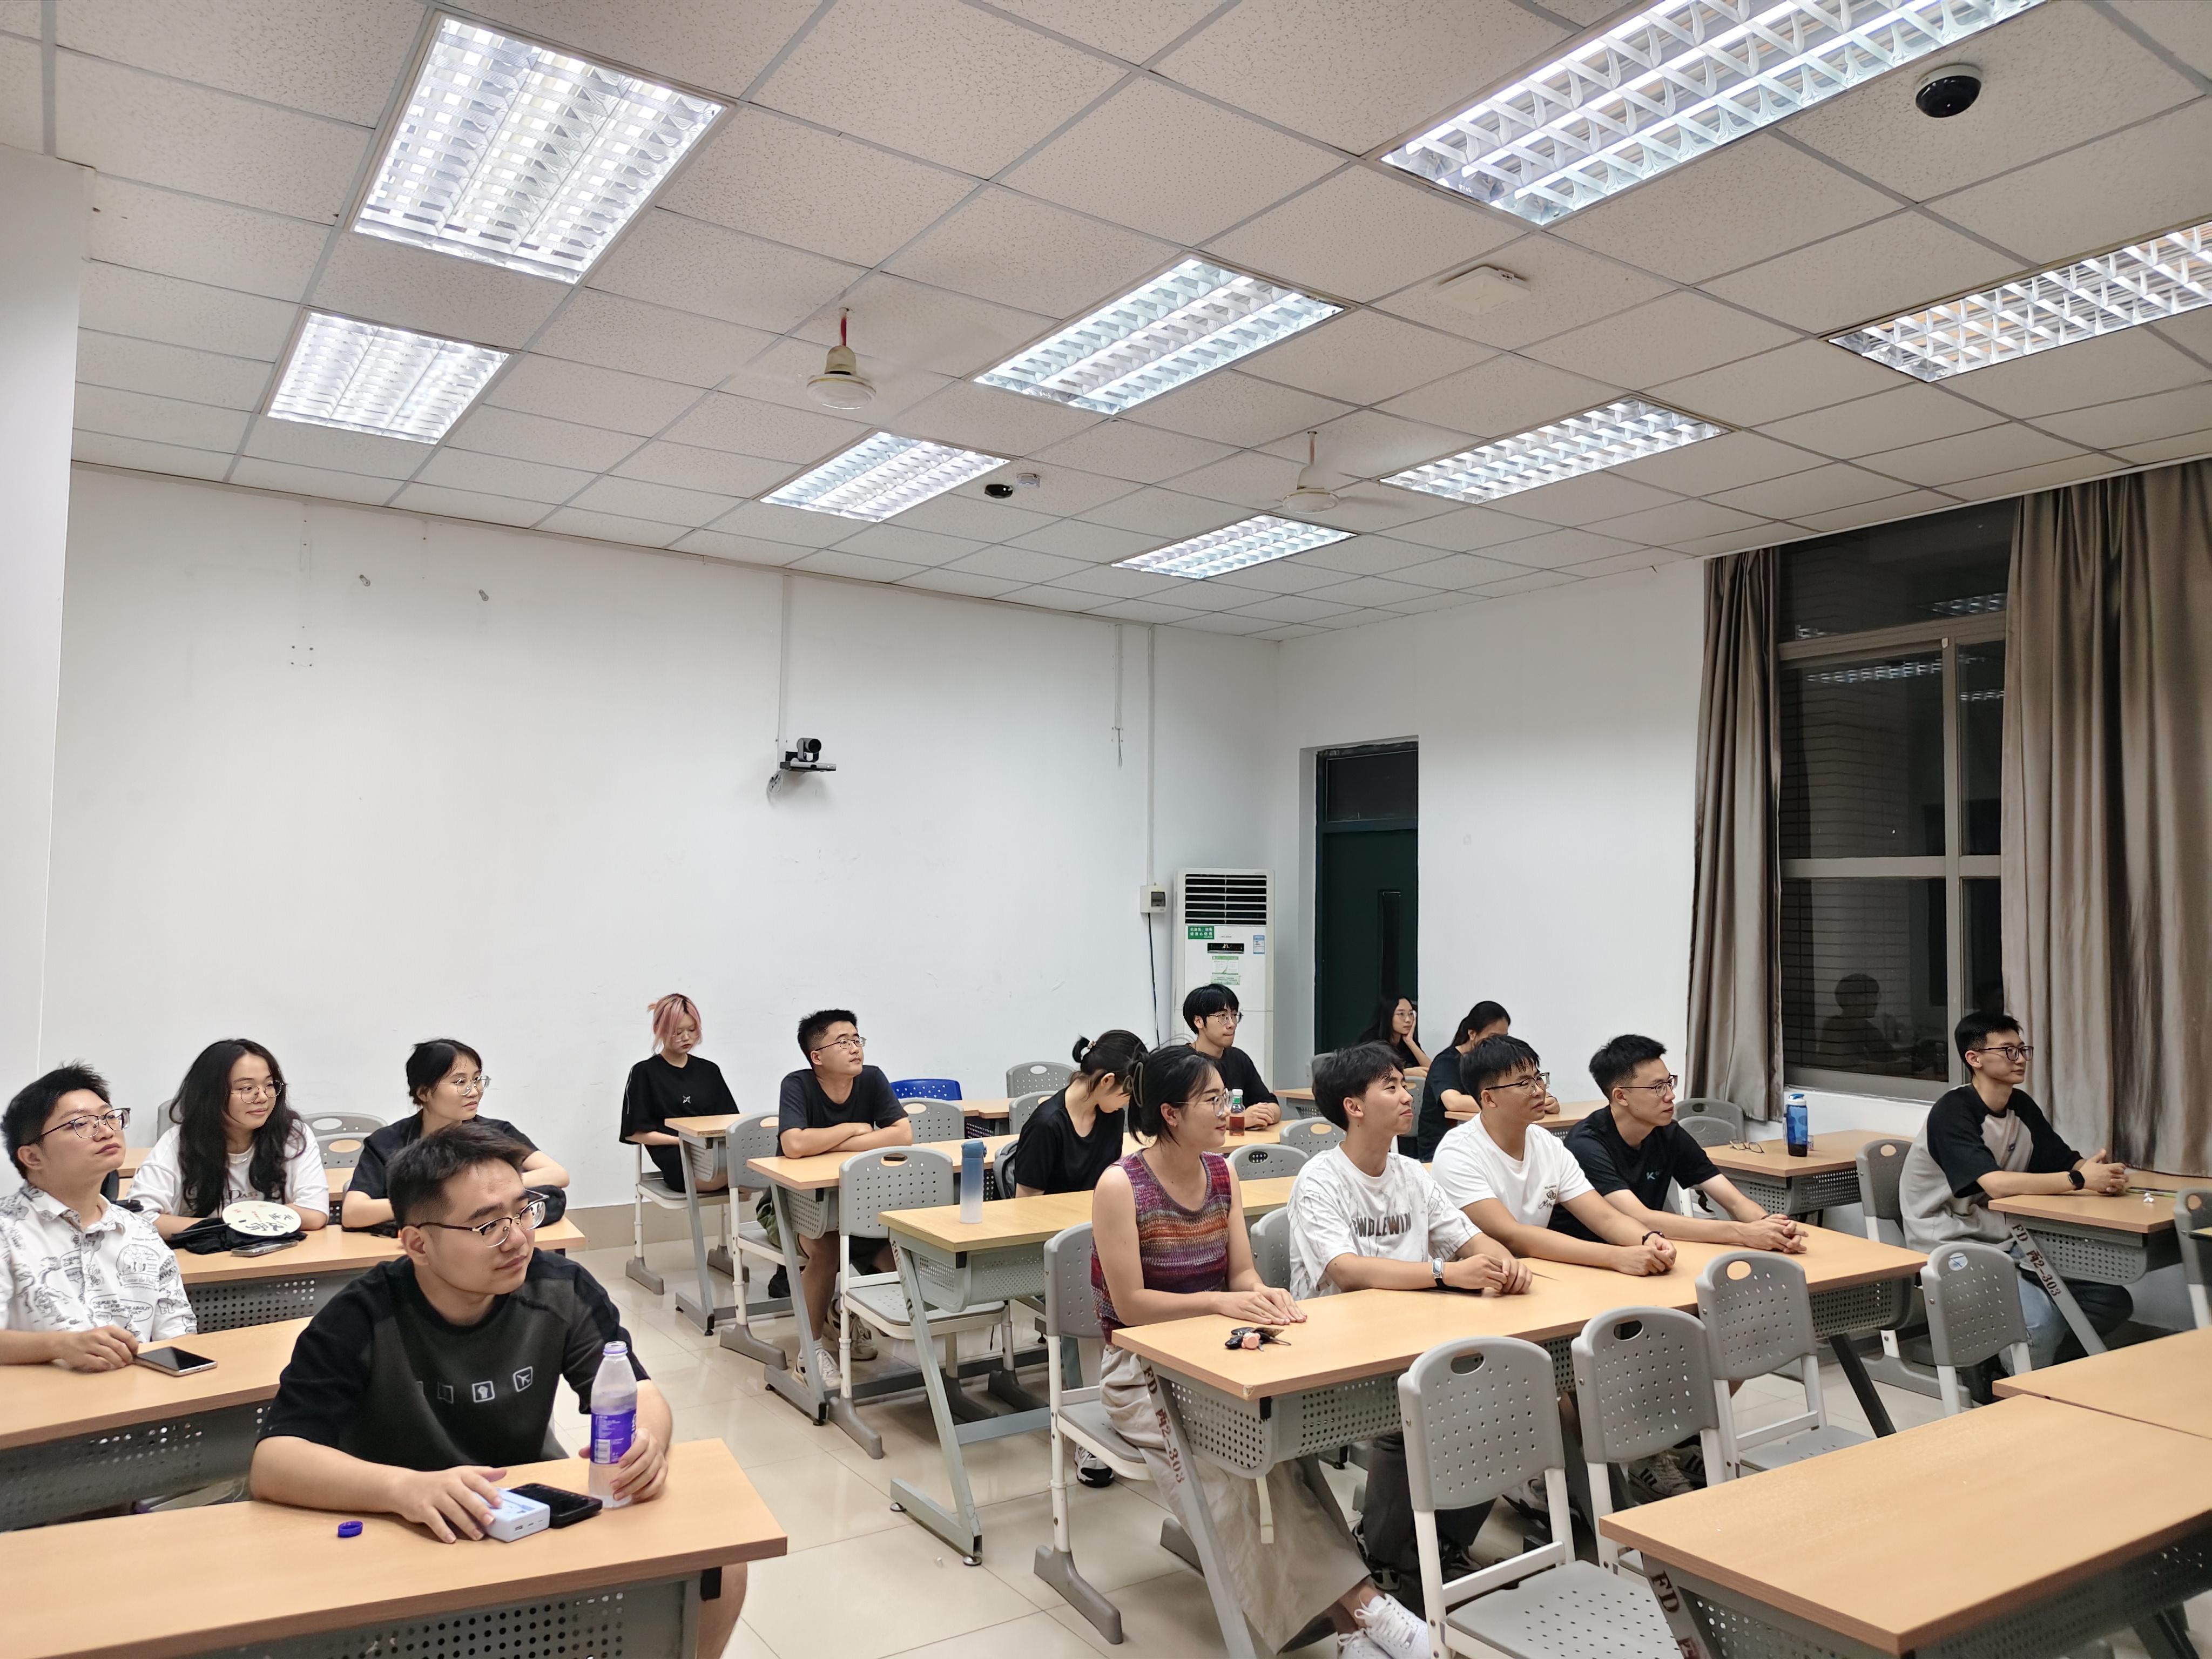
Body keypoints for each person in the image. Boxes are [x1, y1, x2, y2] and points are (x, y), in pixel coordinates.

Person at [251, 1122, 747, 1655]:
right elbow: (275, 1461)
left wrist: (645, 1443)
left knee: (720, 1566)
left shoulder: (559, 1288)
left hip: (522, 1516)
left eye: (523, 1211)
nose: (517, 1239)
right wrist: (404, 1489)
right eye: (488, 1225)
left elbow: (639, 1390)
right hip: (407, 1531)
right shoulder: (360, 1317)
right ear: (418, 1243)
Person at [1091, 1044, 1433, 1659]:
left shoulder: (1221, 1174)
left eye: (1225, 1097)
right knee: (1231, 1476)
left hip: (1219, 1356)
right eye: (1212, 1100)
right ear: (1170, 1113)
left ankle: (1354, 1629)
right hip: (1141, 1370)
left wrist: (1259, 1294)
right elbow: (1132, 1306)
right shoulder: (1121, 1184)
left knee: (1278, 1458)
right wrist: (1220, 1303)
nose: (1228, 1110)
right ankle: (1363, 1608)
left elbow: (1242, 1273)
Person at [1287, 1042, 1530, 1601]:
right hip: (1337, 1347)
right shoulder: (1321, 1178)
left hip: (1416, 1331)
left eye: (1405, 1084)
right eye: (1391, 1087)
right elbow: (1347, 1271)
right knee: (1417, 1411)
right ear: (1353, 1107)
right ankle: (1386, 1553)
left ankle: (1443, 1543)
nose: (1407, 1096)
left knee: (1505, 1397)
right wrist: (1446, 1273)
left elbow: (1467, 1238)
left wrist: (1502, 1261)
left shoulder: (1411, 1174)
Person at [1899, 1011, 2130, 1370]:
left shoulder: (2020, 1105)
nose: (2020, 1059)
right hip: (1950, 1243)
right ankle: (2013, 1386)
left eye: (2023, 1050)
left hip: (2010, 1237)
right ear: (1974, 1059)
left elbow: (2066, 1161)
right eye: (2008, 1051)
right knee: (2039, 1323)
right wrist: (2080, 1180)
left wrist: (2103, 1173)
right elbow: (1996, 1184)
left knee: (2109, 1300)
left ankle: (2025, 1366)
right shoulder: (1953, 1111)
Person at [1431, 1036, 1675, 1277]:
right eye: (1524, 1083)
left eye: (1538, 1078)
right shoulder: (1458, 1153)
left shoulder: (1548, 1144)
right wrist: (1615, 1257)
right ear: (1489, 1098)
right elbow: (1512, 1235)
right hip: (1473, 1282)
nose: (1539, 1091)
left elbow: (1605, 1218)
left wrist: (1648, 1239)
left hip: (1536, 1273)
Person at [1, 1064, 194, 1367]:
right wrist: (59, 1346)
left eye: (109, 1117)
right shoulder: (6, 1230)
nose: (106, 1131)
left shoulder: (140, 1232)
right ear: (32, 1157)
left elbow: (178, 1336)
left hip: (136, 1389)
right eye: (81, 1124)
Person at [1560, 1035, 1804, 1253]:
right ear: (1621, 1096)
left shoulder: (1668, 1133)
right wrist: (1741, 1233)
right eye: (1658, 1088)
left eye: (1670, 1083)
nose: (1671, 1095)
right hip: (1588, 1259)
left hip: (1646, 1252)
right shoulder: (1586, 1145)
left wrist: (1771, 1227)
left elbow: (1735, 1201)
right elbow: (1640, 1218)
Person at [777, 1009, 912, 1387]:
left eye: (857, 1039)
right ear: (817, 1056)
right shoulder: (798, 1084)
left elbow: (902, 1135)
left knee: (901, 1256)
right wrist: (852, 1128)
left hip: (861, 1203)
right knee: (827, 1248)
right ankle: (810, 1352)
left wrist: (833, 1143)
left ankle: (842, 1311)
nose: (855, 1048)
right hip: (796, 1206)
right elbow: (794, 1144)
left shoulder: (872, 1078)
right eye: (843, 1042)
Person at [344, 1040, 569, 1231]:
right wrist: (438, 1202)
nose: (474, 1091)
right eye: (460, 1082)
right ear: (424, 1093)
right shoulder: (386, 1142)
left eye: (477, 1079)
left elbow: (558, 1174)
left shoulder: (498, 1132)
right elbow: (353, 1213)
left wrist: (490, 1188)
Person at [131, 1038, 329, 1239]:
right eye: (247, 1088)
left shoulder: (292, 1135)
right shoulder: (178, 1143)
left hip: (277, 1254)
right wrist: (234, 1226)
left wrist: (233, 1225)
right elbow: (139, 1219)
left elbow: (314, 1213)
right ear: (212, 1095)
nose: (262, 1097)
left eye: (269, 1085)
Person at [620, 994, 736, 1192]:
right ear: (659, 1030)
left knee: (757, 1168)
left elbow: (730, 1121)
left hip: (713, 1153)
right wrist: (683, 1141)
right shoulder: (644, 1073)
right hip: (677, 1158)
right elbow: (635, 1133)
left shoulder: (709, 1071)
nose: (686, 1037)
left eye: (692, 1030)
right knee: (744, 1175)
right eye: (678, 1032)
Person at [1011, 1029, 1142, 1197]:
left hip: (1098, 1211)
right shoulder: (1046, 1126)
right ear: (1107, 1081)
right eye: (1129, 1095)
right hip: (1056, 1215)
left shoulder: (1113, 1115)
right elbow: (1026, 1203)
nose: (1129, 1102)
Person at [1405, 1000, 1510, 1161]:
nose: (1499, 1045)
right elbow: (1453, 1102)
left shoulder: (1494, 1064)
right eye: (1493, 1038)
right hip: (1442, 1151)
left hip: (1480, 1147)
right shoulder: (1447, 1062)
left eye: (1504, 1039)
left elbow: (1514, 1089)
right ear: (1472, 1034)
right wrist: (1507, 1104)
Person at [1181, 983, 1279, 1128]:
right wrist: (1239, 1120)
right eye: (1223, 1017)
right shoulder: (1183, 1062)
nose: (1232, 1024)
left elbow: (1272, 1104)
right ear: (1199, 1021)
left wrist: (1264, 1114)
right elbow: (1187, 1116)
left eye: (1234, 1015)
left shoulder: (1239, 1058)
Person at [1357, 996, 1429, 1073]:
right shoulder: (1371, 1041)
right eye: (1401, 1014)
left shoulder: (1408, 1041)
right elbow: (1372, 1073)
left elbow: (1431, 1072)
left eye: (1411, 1014)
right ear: (1388, 1016)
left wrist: (1410, 1042)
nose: (1408, 1020)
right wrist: (1408, 1072)